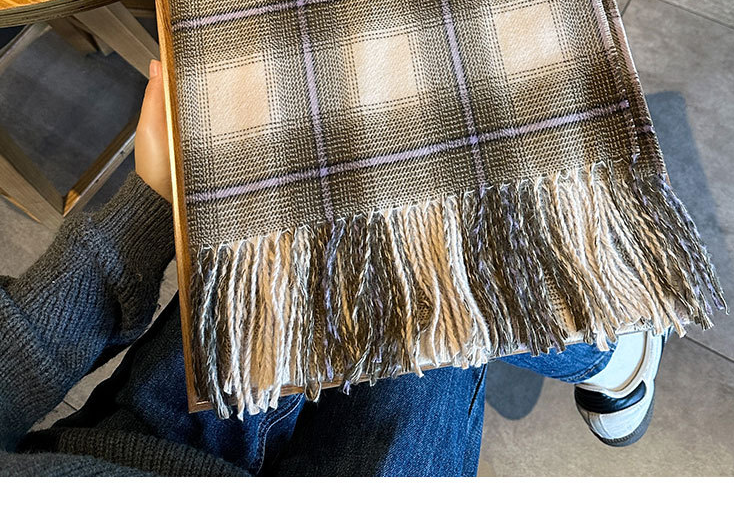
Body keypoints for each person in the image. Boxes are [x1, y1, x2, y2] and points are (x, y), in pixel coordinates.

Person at [0, 61, 668, 476]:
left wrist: (150, 200)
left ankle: (606, 349)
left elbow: (16, 355)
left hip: (146, 435)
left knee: (355, 165)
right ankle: (609, 351)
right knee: (429, 268)